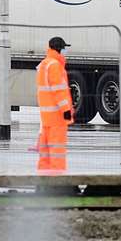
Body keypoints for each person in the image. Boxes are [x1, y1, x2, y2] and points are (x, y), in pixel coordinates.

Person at [36, 35, 73, 172]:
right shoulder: (55, 65)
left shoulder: (44, 64)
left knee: (45, 152)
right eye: (64, 48)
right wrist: (66, 110)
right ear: (59, 49)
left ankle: (44, 180)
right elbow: (59, 90)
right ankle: (58, 180)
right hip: (57, 117)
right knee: (57, 151)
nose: (65, 51)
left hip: (46, 117)